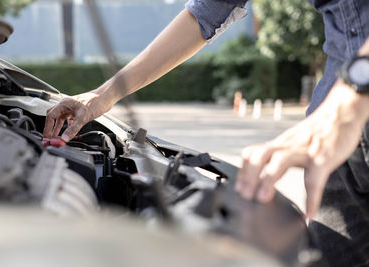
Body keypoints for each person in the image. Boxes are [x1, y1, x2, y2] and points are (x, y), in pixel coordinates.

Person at [44, 0, 369, 265]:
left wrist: (352, 99)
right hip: (336, 138)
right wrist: (105, 94)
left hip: (343, 114)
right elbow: (206, 13)